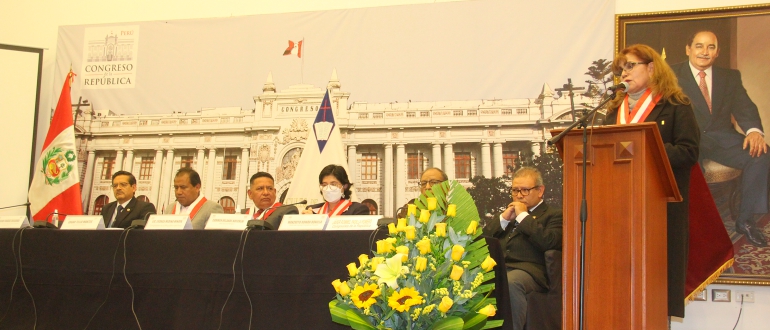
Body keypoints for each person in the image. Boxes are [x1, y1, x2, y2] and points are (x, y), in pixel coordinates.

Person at [605, 44, 700, 318]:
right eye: (621, 69)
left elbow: (689, 152)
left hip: (659, 209)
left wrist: (646, 146)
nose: (624, 73)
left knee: (655, 290)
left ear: (651, 68)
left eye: (630, 66)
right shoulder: (613, 110)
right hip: (618, 208)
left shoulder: (675, 106)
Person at [671, 30, 770, 247]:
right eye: (699, 46)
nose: (704, 52)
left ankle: (746, 220)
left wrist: (754, 131)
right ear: (688, 49)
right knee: (688, 166)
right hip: (688, 139)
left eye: (711, 47)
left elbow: (745, 107)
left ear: (717, 52)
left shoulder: (729, 77)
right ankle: (694, 227)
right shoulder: (670, 75)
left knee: (761, 154)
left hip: (722, 138)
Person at [484, 167, 562, 330]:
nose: (519, 195)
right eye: (515, 190)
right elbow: (484, 240)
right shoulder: (509, 215)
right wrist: (503, 219)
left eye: (525, 190)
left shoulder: (554, 215)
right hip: (500, 268)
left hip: (530, 272)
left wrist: (523, 217)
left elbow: (549, 241)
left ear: (540, 191)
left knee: (511, 282)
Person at [302, 164, 370, 216]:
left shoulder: (358, 210)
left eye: (333, 184)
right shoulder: (312, 210)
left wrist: (317, 222)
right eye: (324, 185)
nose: (328, 188)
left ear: (345, 186)